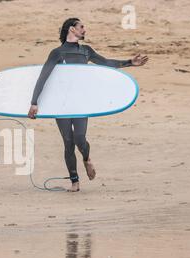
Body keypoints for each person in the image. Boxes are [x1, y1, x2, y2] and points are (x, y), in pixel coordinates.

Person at [28, 18, 148, 192]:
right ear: (72, 29)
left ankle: (86, 158)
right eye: (81, 27)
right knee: (68, 142)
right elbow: (43, 77)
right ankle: (74, 181)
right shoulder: (57, 53)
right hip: (61, 104)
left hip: (80, 103)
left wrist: (129, 62)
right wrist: (34, 102)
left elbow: (106, 63)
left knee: (79, 139)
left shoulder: (86, 51)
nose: (85, 30)